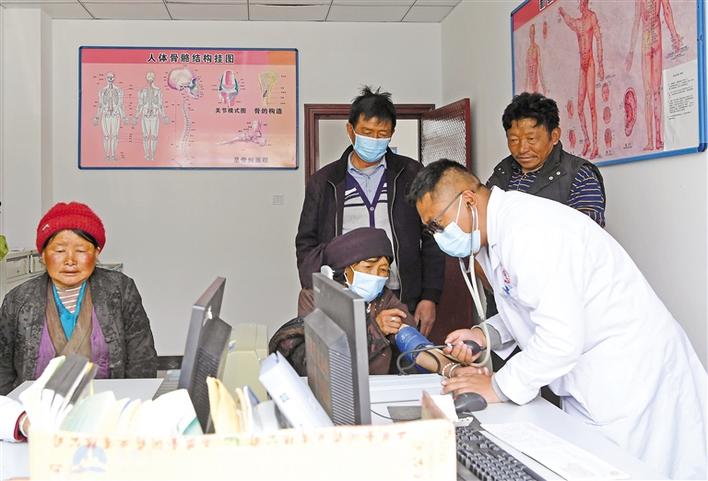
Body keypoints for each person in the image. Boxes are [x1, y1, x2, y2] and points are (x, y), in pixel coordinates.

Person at [409, 159, 707, 480]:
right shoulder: (495, 231)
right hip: (594, 379)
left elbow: (560, 338)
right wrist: (485, 335)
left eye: (438, 224)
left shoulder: (530, 232)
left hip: (632, 380)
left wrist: (497, 386)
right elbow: (529, 303)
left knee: (636, 471)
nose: (438, 236)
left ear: (468, 200)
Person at [295, 86, 445, 337]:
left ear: (391, 134)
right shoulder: (325, 181)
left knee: (403, 356)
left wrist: (430, 296)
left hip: (401, 294)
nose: (374, 140)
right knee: (347, 356)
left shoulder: (411, 173)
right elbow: (306, 242)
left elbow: (432, 235)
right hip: (343, 295)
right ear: (350, 130)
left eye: (381, 134)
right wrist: (316, 291)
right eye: (366, 132)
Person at [0, 202, 158, 395]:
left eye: (81, 251)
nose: (70, 261)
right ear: (43, 254)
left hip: (106, 406)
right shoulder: (17, 300)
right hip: (35, 410)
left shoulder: (120, 289)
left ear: (97, 252)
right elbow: (2, 371)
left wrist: (132, 403)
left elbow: (142, 360)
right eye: (59, 251)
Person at [488, 92, 606, 227]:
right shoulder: (502, 171)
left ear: (554, 136)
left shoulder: (579, 175)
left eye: (531, 139)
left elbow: (588, 230)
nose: (522, 149)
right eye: (514, 140)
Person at [625, 0, 683, 151]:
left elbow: (667, 11)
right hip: (647, 43)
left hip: (654, 41)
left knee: (655, 92)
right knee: (649, 93)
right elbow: (636, 21)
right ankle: (651, 140)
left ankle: (657, 139)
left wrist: (674, 35)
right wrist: (631, 52)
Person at [559, 0, 605, 159]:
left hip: (590, 64)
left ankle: (596, 145)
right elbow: (570, 22)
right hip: (582, 66)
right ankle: (587, 141)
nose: (582, 5)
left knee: (591, 105)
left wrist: (601, 64)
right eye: (581, 3)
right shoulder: (578, 23)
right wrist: (562, 13)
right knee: (579, 107)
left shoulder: (592, 18)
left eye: (584, 3)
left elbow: (599, 39)